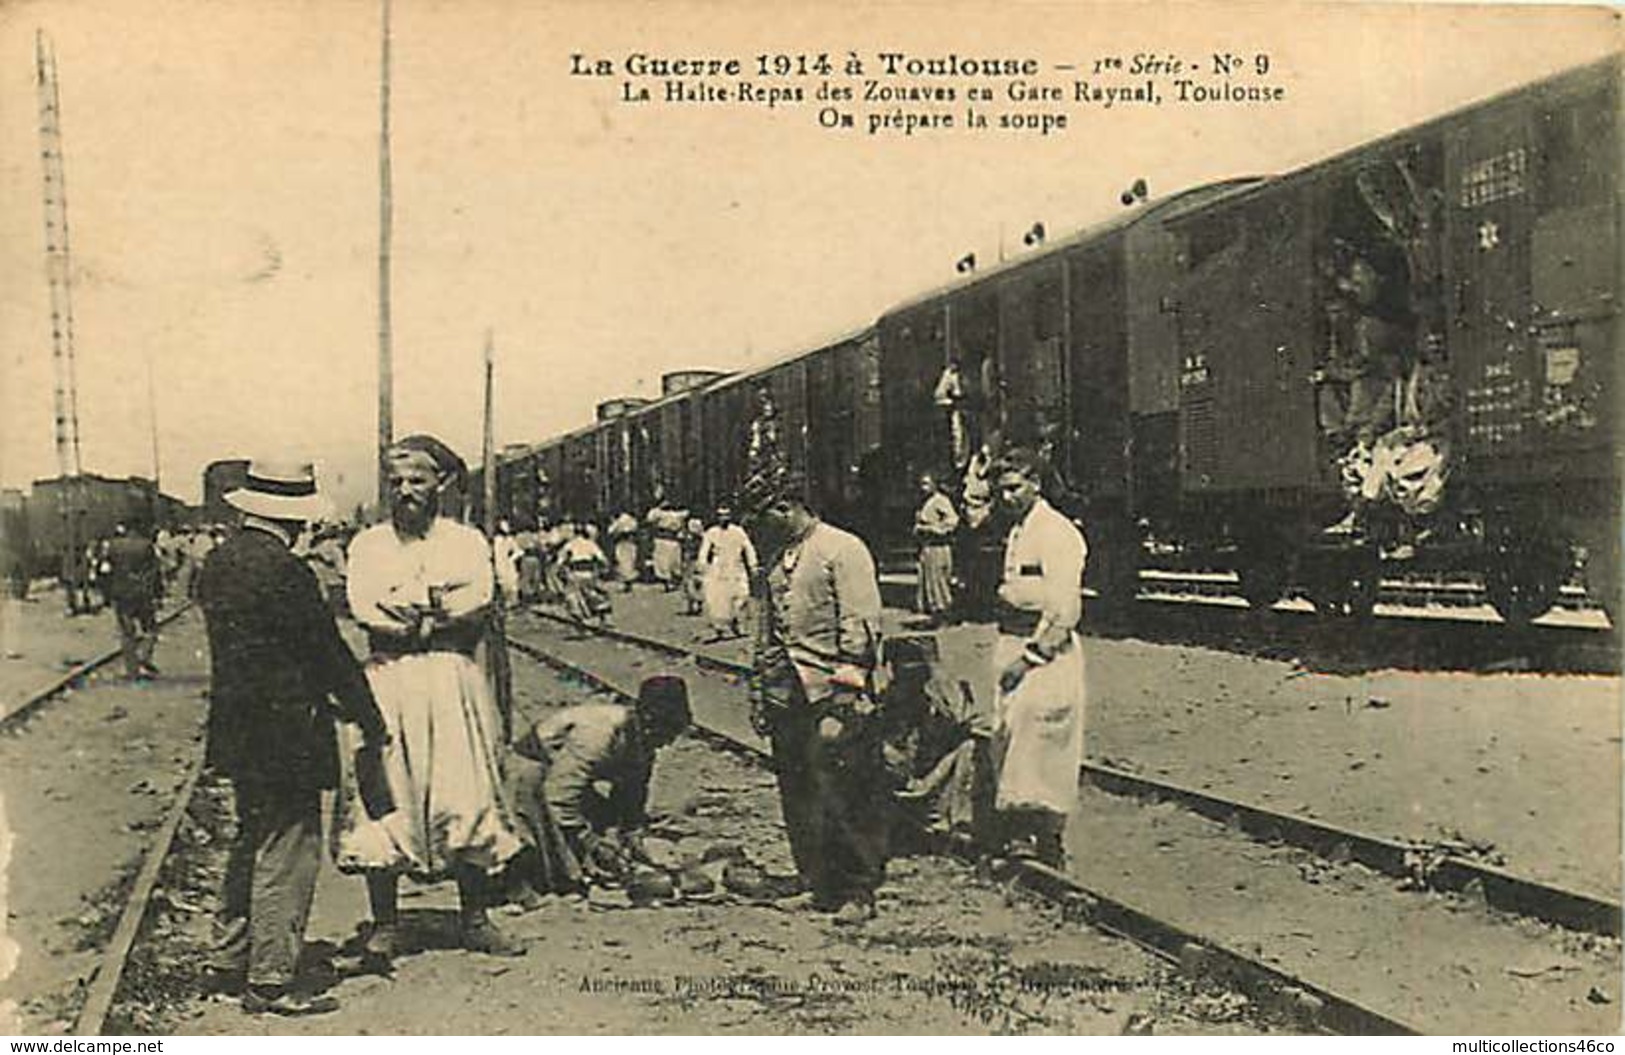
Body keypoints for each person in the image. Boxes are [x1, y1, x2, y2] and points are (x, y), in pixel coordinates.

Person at [197, 460, 390, 1016]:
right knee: (289, 849)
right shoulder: (287, 572)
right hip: (287, 732)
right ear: (295, 518)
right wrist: (370, 719)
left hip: (237, 729)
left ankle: (226, 961)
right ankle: (272, 981)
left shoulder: (218, 562)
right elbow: (328, 655)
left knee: (248, 839)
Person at [335, 434, 526, 962]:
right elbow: (364, 605)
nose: (405, 491)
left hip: (450, 677)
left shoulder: (465, 541)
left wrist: (426, 617)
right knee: (386, 791)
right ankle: (386, 922)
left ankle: (475, 917)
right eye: (396, 482)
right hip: (389, 678)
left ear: (440, 483)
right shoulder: (369, 544)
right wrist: (418, 616)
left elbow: (478, 596)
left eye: (417, 480)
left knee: (462, 790)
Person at [752, 484, 888, 924]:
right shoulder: (777, 556)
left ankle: (858, 890)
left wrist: (846, 696)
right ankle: (816, 881)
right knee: (799, 789)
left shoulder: (842, 549)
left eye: (766, 514)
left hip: (831, 690)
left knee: (843, 790)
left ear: (787, 506)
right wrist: (760, 691)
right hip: (786, 690)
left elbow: (860, 622)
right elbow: (767, 630)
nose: (761, 525)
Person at [989, 448, 1088, 870]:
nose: (1007, 497)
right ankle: (1020, 834)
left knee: (1043, 739)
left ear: (1036, 483)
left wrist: (1030, 657)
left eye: (1014, 487)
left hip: (1045, 653)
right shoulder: (1018, 530)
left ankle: (1044, 840)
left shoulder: (1056, 532)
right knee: (1009, 735)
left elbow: (1066, 611)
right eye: (1001, 490)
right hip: (1012, 642)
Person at [509, 675, 691, 889]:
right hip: (527, 771)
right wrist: (591, 841)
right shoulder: (598, 733)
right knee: (559, 864)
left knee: (605, 819)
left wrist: (632, 835)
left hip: (562, 776)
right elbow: (558, 798)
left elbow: (632, 791)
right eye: (667, 735)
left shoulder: (641, 739)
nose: (667, 744)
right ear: (650, 723)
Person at [103, 522, 162, 679]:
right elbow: (155, 572)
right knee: (151, 629)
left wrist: (107, 594)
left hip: (121, 594)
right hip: (143, 594)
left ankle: (132, 670)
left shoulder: (113, 546)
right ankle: (144, 656)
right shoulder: (147, 546)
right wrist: (158, 593)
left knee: (126, 632)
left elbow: (105, 571)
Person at [698, 503, 756, 642]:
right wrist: (702, 565)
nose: (724, 518)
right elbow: (704, 550)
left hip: (736, 566)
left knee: (741, 595)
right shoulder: (711, 532)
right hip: (719, 568)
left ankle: (737, 623)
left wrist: (753, 564)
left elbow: (748, 547)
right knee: (719, 598)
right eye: (720, 516)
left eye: (726, 515)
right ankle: (720, 628)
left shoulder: (738, 531)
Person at [913, 473, 959, 626]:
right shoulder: (925, 502)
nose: (923, 487)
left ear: (935, 484)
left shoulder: (941, 500)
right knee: (929, 582)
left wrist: (933, 529)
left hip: (938, 547)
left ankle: (945, 614)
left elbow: (953, 521)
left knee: (939, 582)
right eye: (921, 484)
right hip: (926, 548)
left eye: (926, 483)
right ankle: (934, 613)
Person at [557, 523, 612, 625]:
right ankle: (603, 617)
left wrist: (562, 572)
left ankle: (579, 616)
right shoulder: (590, 544)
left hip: (575, 573)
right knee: (595, 594)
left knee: (571, 595)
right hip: (589, 572)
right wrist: (604, 569)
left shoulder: (569, 545)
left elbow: (560, 561)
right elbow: (602, 559)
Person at [646, 498, 686, 592]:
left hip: (671, 540)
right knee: (663, 562)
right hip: (662, 540)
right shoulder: (659, 513)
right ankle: (668, 582)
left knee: (673, 562)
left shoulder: (676, 515)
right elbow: (650, 519)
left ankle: (673, 581)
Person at [607, 510, 640, 591]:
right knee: (629, 561)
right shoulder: (632, 520)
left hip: (622, 542)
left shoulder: (619, 521)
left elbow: (610, 531)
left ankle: (627, 582)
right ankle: (628, 582)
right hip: (630, 542)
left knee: (623, 561)